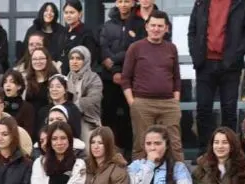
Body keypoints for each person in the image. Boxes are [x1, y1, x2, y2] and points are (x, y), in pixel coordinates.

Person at [188, 0, 245, 152]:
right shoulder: (201, 2)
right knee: (203, 109)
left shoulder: (242, 3)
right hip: (205, 64)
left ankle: (229, 152)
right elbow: (192, 30)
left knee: (229, 110)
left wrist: (236, 55)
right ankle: (204, 152)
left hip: (230, 65)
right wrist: (195, 54)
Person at [121, 11, 183, 161]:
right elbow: (125, 78)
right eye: (153, 25)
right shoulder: (135, 47)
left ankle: (178, 174)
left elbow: (176, 77)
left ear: (166, 28)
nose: (156, 29)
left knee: (174, 143)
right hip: (143, 103)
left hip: (168, 104)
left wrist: (175, 101)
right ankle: (140, 175)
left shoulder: (171, 48)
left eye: (160, 26)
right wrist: (132, 102)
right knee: (142, 143)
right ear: (146, 27)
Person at [100, 0, 145, 159]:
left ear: (133, 3)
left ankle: (130, 153)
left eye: (127, 1)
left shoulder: (140, 24)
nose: (124, 4)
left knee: (130, 117)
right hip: (110, 79)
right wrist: (114, 71)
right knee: (109, 116)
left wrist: (116, 63)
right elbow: (103, 49)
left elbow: (135, 49)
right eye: (120, 1)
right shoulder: (107, 25)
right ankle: (110, 152)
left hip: (131, 79)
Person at [66, 46, 103, 144]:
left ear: (86, 60)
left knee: (89, 149)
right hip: (68, 120)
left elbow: (94, 99)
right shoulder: (66, 78)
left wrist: (73, 108)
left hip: (87, 120)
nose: (74, 62)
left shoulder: (93, 78)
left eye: (78, 59)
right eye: (72, 58)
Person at [56, 0, 99, 75]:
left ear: (80, 14)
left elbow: (90, 58)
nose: (68, 15)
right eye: (66, 13)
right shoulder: (63, 31)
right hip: (62, 75)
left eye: (72, 12)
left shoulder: (86, 32)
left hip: (78, 76)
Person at [24, 48, 60, 129]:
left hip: (48, 121)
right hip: (30, 121)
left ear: (47, 60)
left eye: (41, 58)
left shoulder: (55, 79)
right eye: (35, 59)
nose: (38, 61)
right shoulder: (26, 80)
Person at [0, 70, 36, 137]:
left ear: (19, 86)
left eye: (12, 82)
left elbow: (28, 133)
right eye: (5, 82)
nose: (7, 85)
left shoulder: (27, 107)